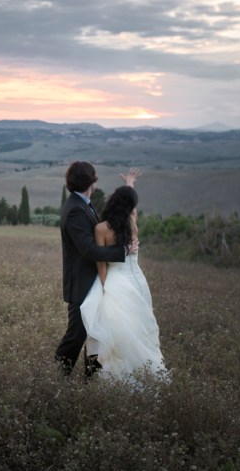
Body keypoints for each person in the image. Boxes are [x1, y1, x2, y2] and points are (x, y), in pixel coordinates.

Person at [80, 168, 167, 383]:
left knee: (112, 330)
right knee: (138, 327)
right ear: (130, 207)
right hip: (137, 281)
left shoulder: (101, 228)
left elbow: (100, 261)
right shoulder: (132, 222)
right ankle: (143, 373)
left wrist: (103, 285)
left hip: (115, 281)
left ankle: (111, 376)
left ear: (112, 201)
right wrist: (131, 182)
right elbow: (131, 203)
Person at [54, 161, 133, 378]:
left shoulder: (82, 204)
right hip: (82, 284)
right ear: (90, 182)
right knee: (76, 336)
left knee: (95, 336)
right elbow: (88, 250)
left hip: (91, 283)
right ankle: (56, 378)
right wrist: (122, 252)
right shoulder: (75, 211)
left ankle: (92, 379)